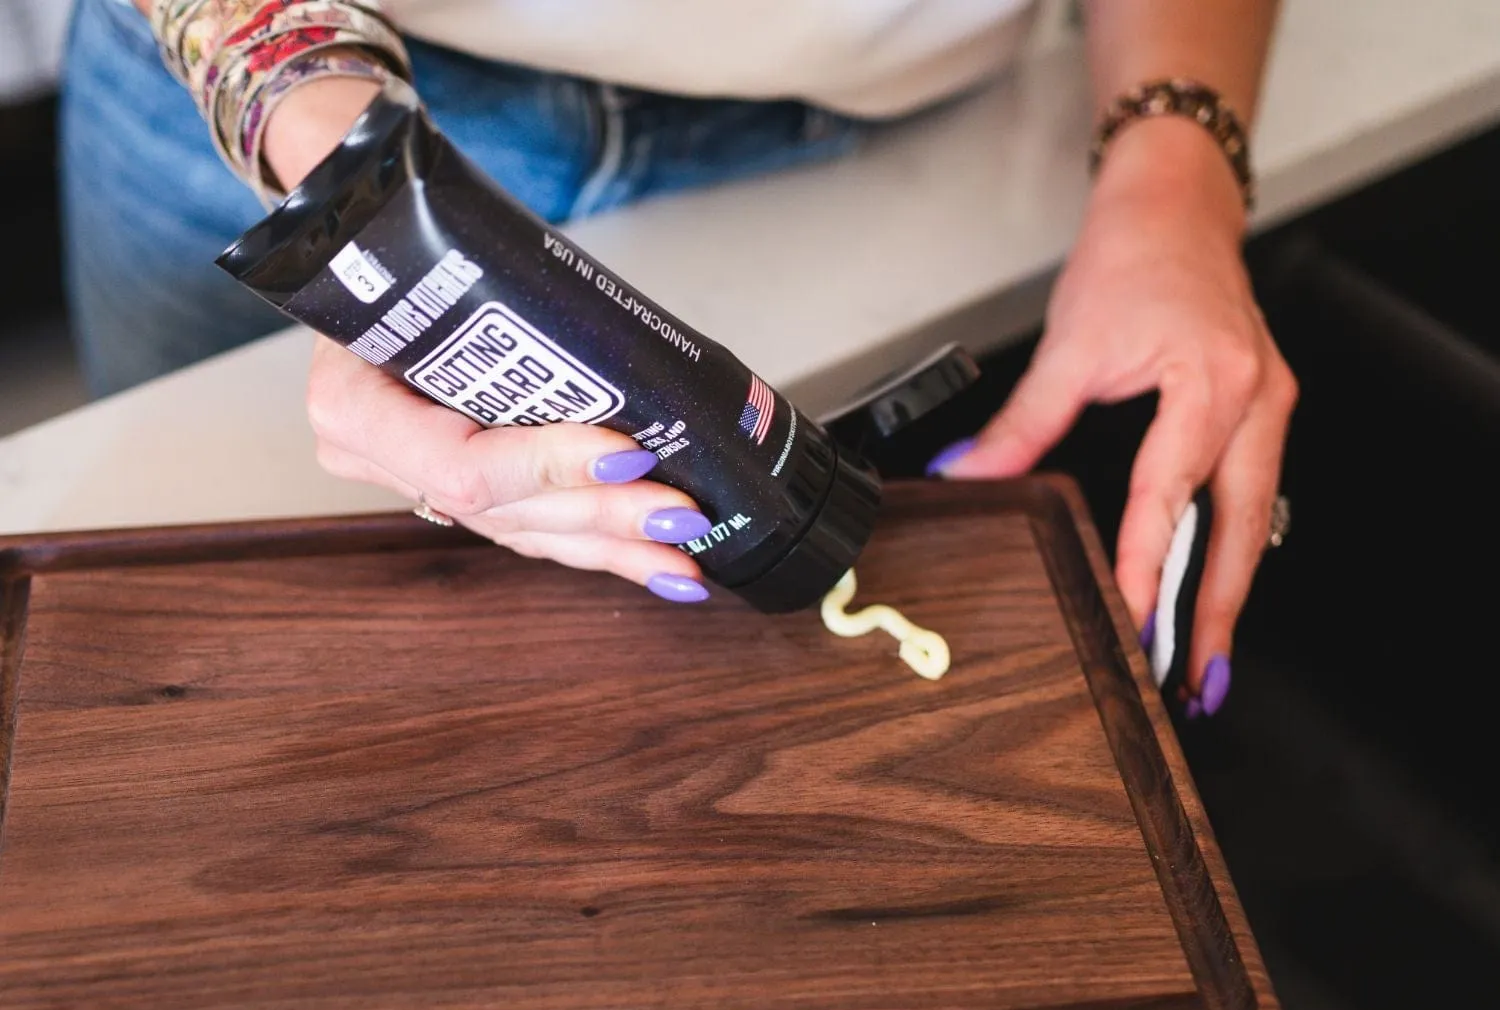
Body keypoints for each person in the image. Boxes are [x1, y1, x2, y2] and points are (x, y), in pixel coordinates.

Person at [64, 0, 1295, 715]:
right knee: (195, 663)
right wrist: (351, 190)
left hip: (901, 127)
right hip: (282, 99)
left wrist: (1175, 170)